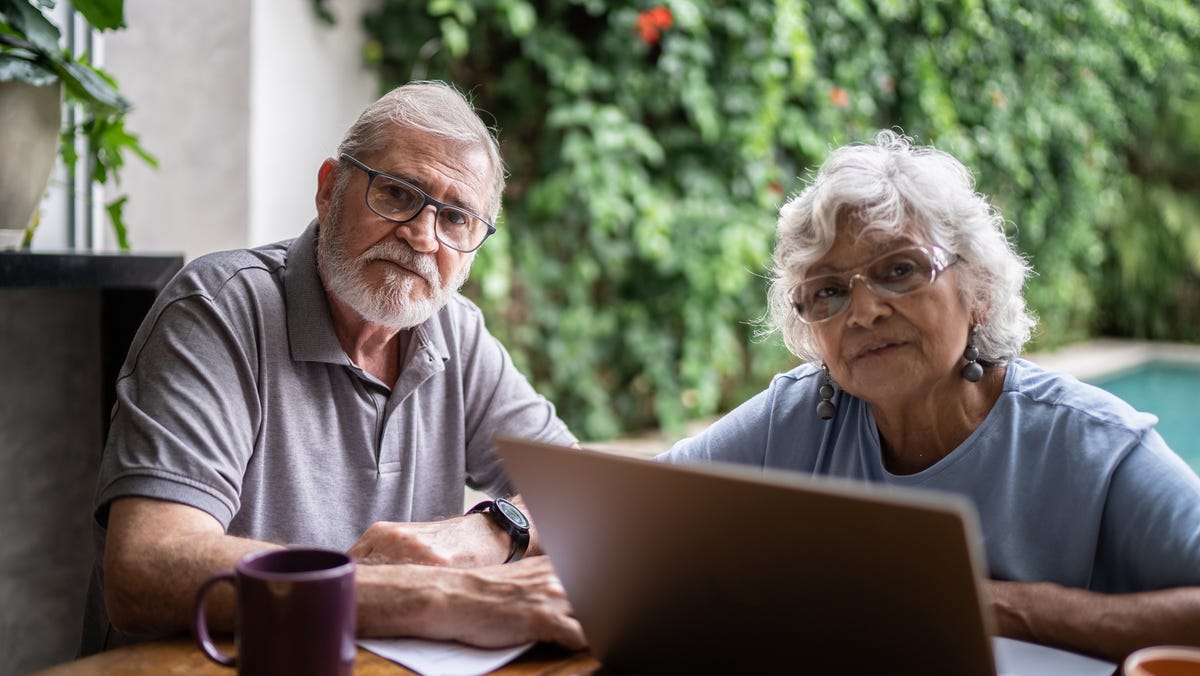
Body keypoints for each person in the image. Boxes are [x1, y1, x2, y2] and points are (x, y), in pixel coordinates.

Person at [81, 81, 586, 654]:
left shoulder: (457, 332)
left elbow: (583, 496)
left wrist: (491, 531)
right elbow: (147, 567)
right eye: (397, 193)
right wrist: (436, 597)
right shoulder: (218, 308)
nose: (423, 236)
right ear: (329, 190)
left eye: (456, 219)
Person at [657, 130, 1200, 662]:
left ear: (978, 290)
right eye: (829, 291)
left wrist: (1006, 608)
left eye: (900, 269)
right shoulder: (797, 418)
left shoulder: (1093, 443)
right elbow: (637, 518)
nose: (863, 311)